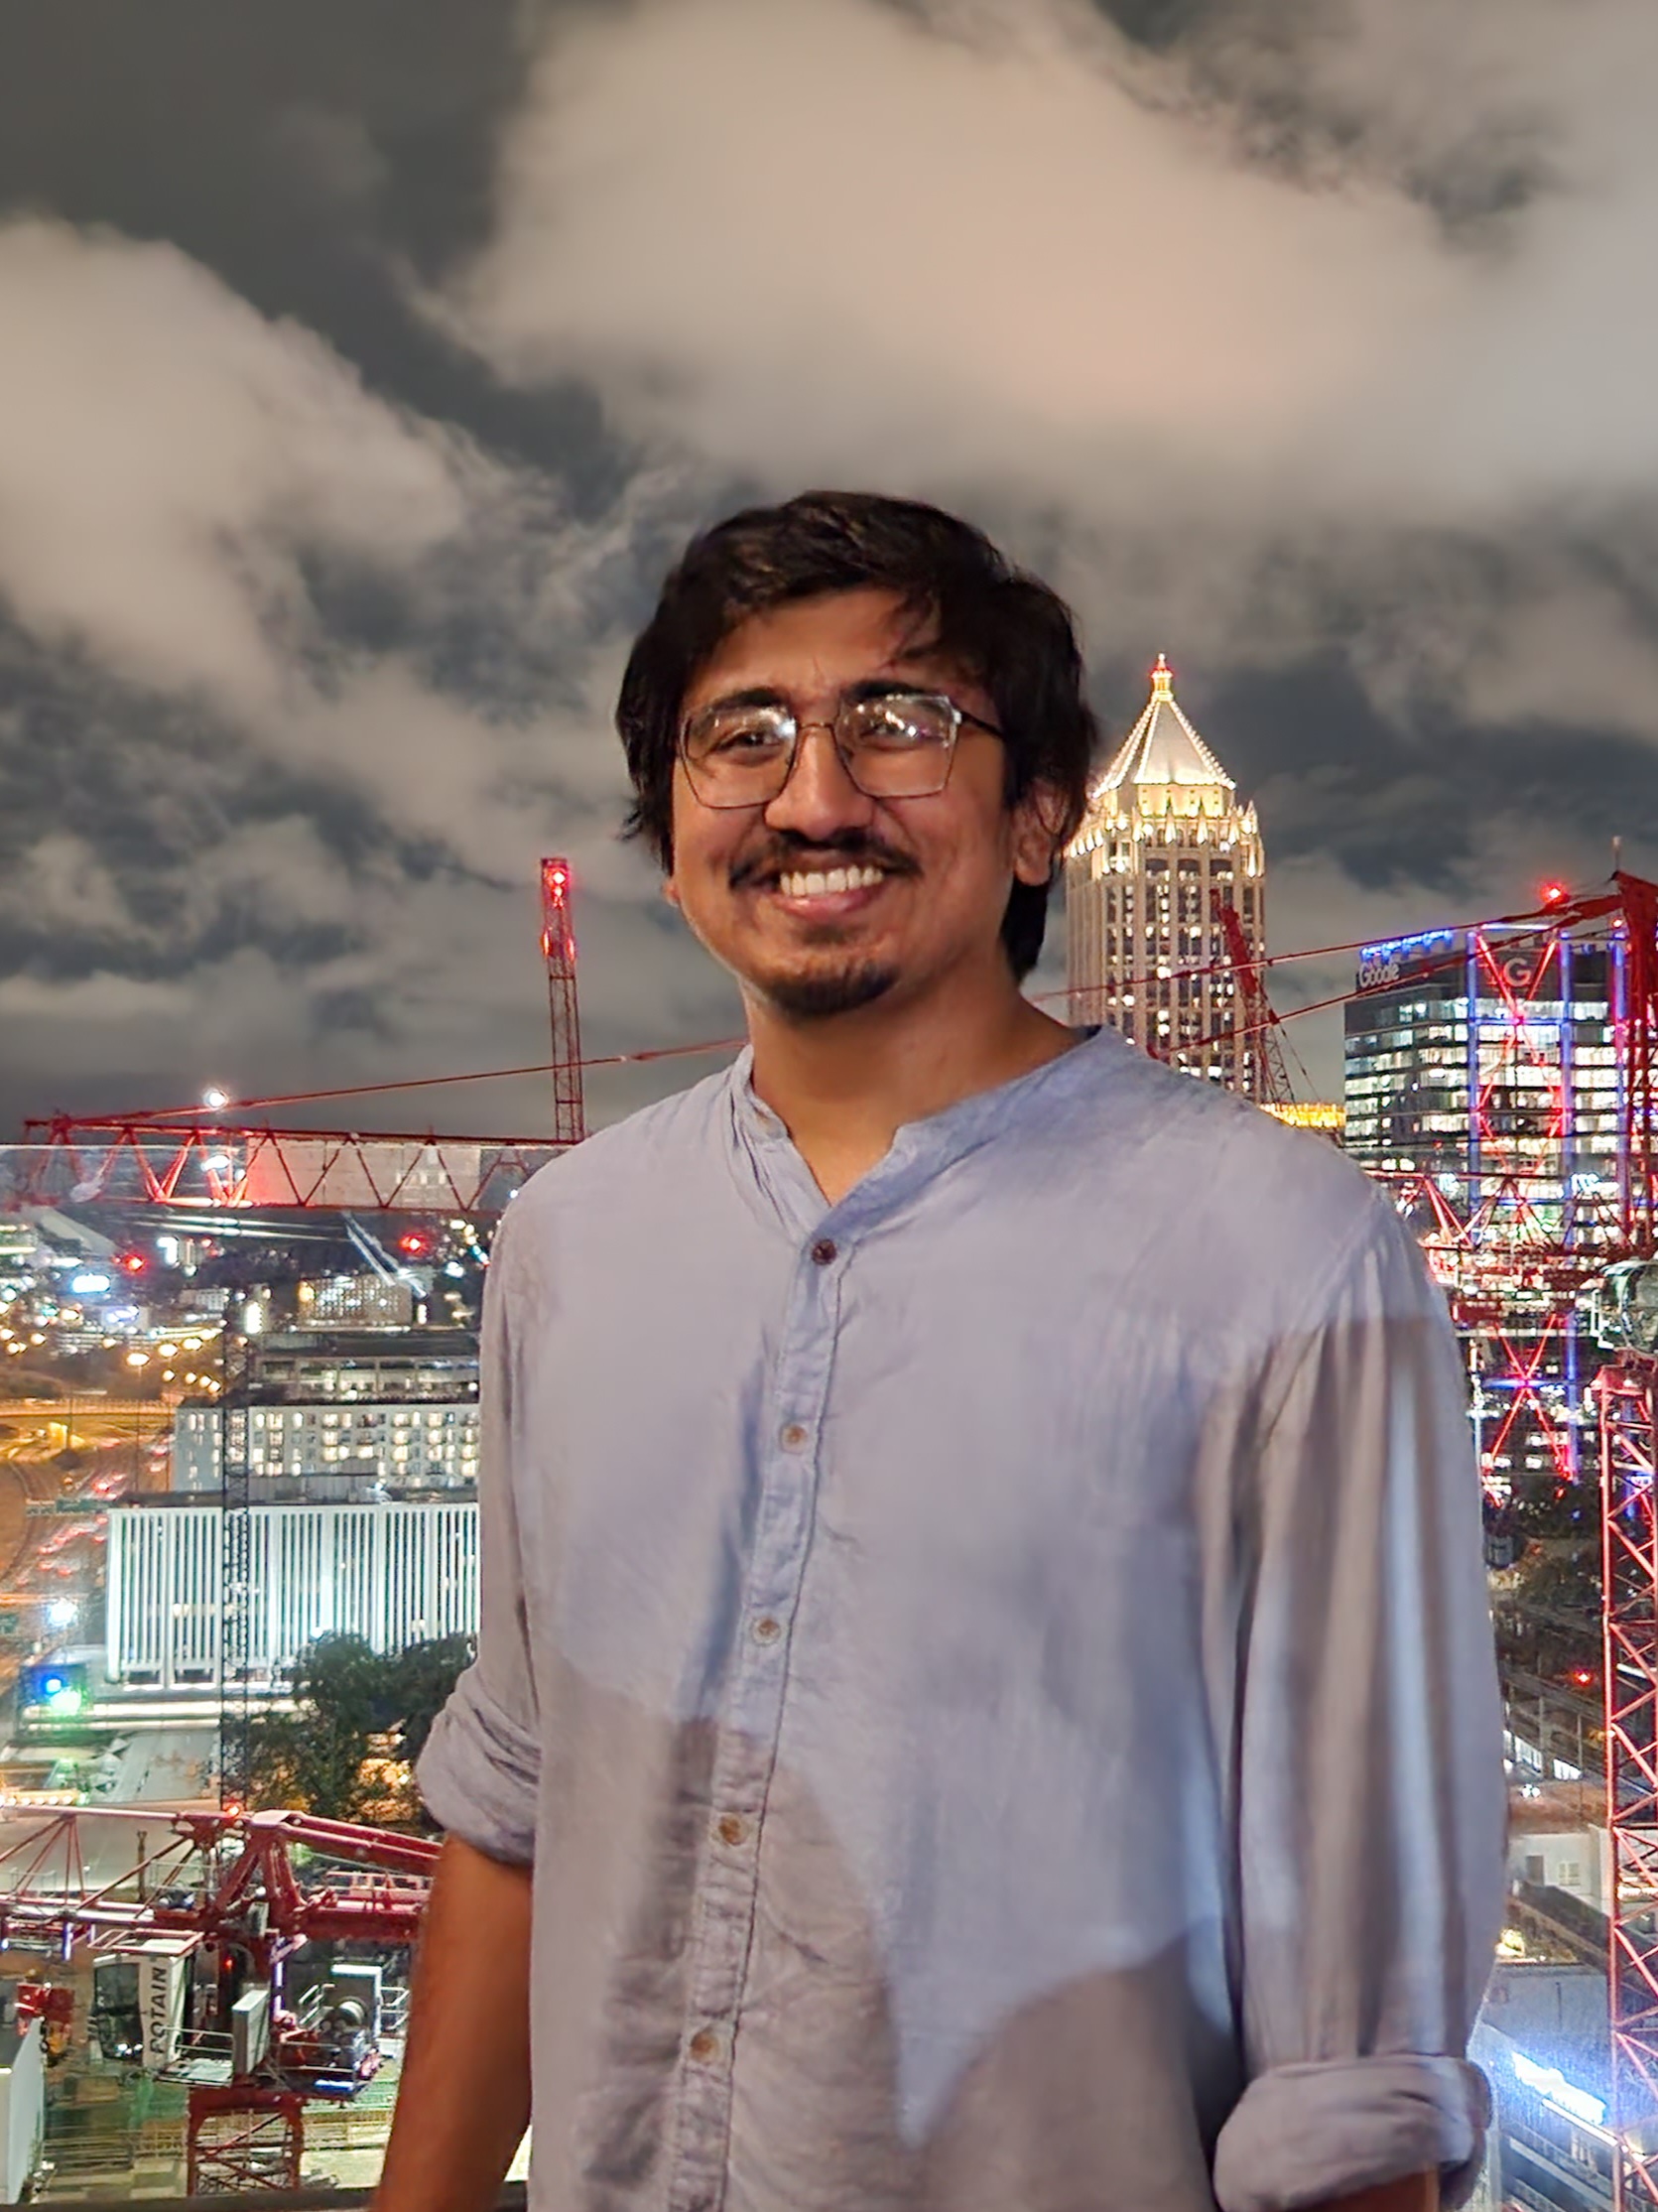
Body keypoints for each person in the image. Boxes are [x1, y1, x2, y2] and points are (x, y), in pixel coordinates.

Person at [376, 492, 1505, 2212]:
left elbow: (1353, 2060)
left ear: (1041, 814)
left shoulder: (1285, 1259)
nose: (812, 797)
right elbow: (520, 1796)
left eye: (897, 726)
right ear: (673, 822)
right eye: (739, 737)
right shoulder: (568, 1246)